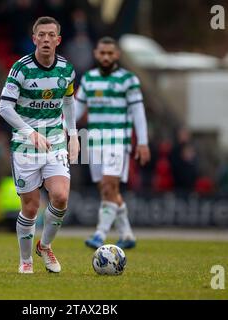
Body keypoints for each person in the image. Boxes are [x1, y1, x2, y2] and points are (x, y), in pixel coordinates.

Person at [0, 16, 79, 274]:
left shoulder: (66, 69)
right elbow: (4, 107)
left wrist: (74, 135)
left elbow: (69, 101)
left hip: (55, 141)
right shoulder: (20, 68)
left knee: (61, 197)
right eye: (41, 35)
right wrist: (29, 131)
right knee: (31, 208)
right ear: (34, 39)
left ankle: (44, 246)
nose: (46, 39)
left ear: (58, 40)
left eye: (50, 35)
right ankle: (26, 260)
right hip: (25, 144)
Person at [76, 37, 150, 249]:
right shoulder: (89, 79)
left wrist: (142, 142)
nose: (106, 57)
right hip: (94, 142)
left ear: (117, 55)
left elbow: (138, 111)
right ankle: (127, 234)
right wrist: (64, 128)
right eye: (102, 53)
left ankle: (100, 234)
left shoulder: (128, 80)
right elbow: (78, 108)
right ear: (96, 54)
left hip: (118, 141)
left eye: (110, 53)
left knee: (110, 185)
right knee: (107, 191)